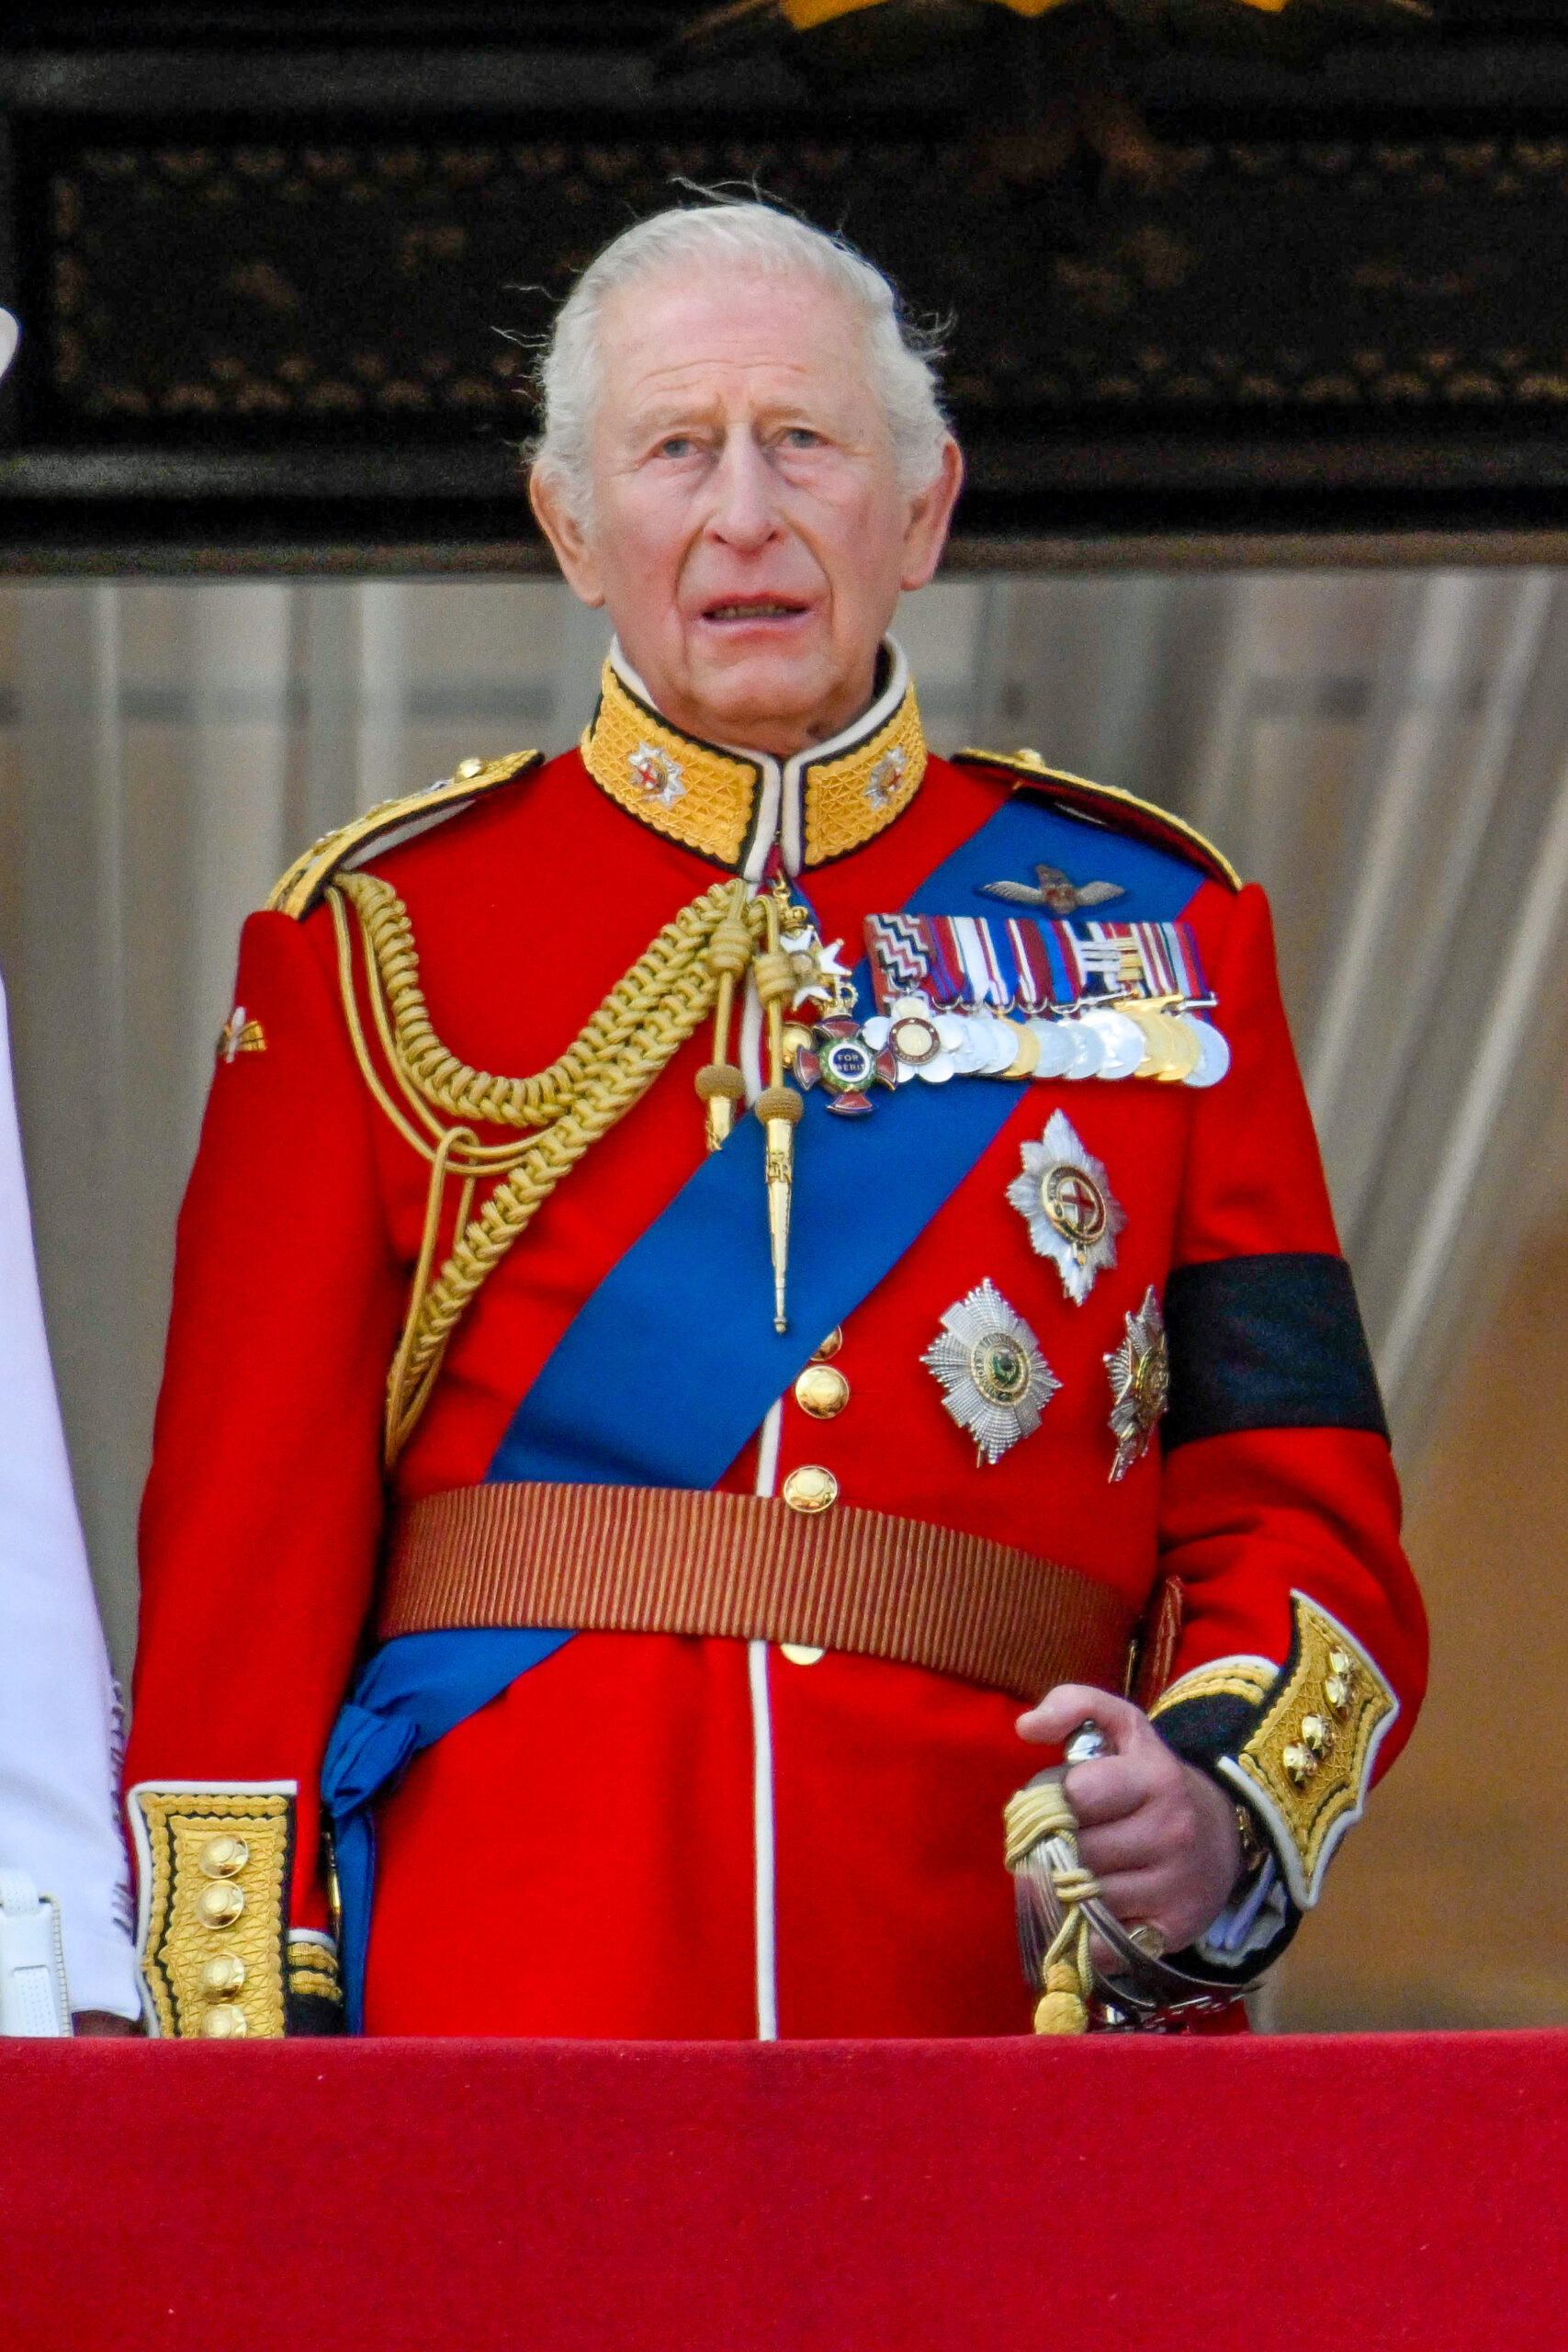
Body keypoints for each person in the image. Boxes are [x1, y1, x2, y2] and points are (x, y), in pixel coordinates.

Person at [124, 204, 1425, 2041]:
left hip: (988, 1998)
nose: (743, 512)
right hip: (500, 1992)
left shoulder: (1158, 929)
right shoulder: (377, 938)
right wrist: (239, 2067)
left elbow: (1298, 1506)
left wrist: (1209, 1811)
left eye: (804, 441)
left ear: (922, 505)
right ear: (571, 524)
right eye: (675, 448)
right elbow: (237, 1585)